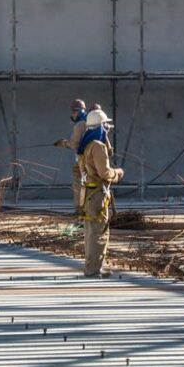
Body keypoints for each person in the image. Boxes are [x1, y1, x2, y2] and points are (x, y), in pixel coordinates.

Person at [78, 109, 124, 278]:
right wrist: (117, 173)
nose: (107, 129)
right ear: (100, 126)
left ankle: (92, 266)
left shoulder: (86, 144)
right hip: (97, 194)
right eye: (105, 126)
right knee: (99, 231)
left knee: (90, 231)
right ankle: (93, 269)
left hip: (89, 192)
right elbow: (104, 172)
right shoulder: (97, 146)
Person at [54, 97, 87, 217]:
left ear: (75, 111)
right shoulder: (92, 121)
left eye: (72, 112)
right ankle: (89, 210)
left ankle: (79, 210)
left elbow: (74, 144)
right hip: (95, 159)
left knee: (79, 182)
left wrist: (64, 143)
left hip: (83, 159)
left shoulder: (79, 124)